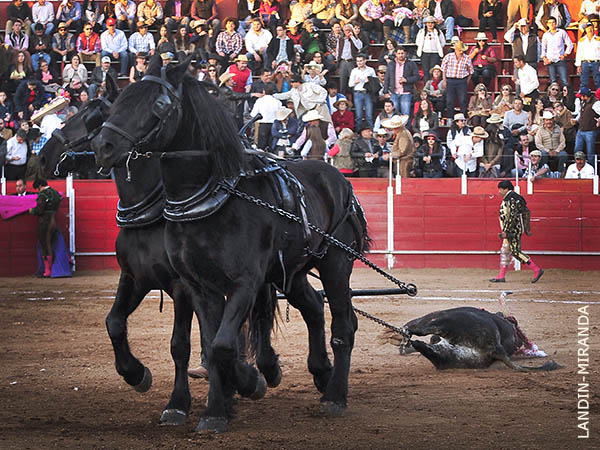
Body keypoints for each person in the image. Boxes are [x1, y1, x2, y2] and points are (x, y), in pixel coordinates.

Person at [490, 180, 543, 283]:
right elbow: (526, 212)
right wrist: (527, 229)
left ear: (506, 189)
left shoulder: (510, 199)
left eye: (500, 189)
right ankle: (501, 276)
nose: (499, 192)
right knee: (505, 251)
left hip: (512, 230)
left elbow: (511, 216)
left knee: (515, 252)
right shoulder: (516, 198)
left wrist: (506, 231)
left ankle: (536, 269)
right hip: (515, 229)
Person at [28, 178, 63, 277]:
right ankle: (51, 269)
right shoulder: (56, 193)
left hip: (45, 222)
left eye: (37, 189)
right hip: (54, 221)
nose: (38, 191)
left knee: (45, 244)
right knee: (50, 244)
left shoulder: (43, 195)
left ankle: (48, 271)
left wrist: (32, 211)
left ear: (39, 186)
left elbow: (39, 210)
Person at [383, 47, 419, 118]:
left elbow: (417, 77)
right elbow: (387, 78)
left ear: (405, 54)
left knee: (405, 115)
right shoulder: (391, 64)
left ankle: (405, 129)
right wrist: (385, 91)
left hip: (406, 92)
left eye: (402, 53)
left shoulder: (411, 64)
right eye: (399, 53)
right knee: (393, 114)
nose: (401, 55)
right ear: (396, 54)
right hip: (394, 92)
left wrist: (406, 80)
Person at [441, 40, 473, 119]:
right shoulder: (448, 56)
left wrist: (466, 81)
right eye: (459, 50)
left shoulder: (467, 58)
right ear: (455, 49)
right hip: (450, 80)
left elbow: (471, 71)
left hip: (462, 80)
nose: (461, 52)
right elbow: (444, 69)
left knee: (463, 100)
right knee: (449, 101)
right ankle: (450, 118)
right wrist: (444, 80)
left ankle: (462, 118)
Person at [540, 17, 573, 87]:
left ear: (556, 23)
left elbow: (570, 44)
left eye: (553, 22)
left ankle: (567, 97)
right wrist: (544, 58)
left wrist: (565, 54)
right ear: (547, 24)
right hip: (550, 61)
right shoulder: (545, 35)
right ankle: (554, 97)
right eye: (549, 23)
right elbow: (543, 48)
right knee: (553, 82)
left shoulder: (562, 32)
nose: (551, 24)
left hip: (560, 60)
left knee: (564, 81)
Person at [534, 110, 568, 175]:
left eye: (550, 120)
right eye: (547, 120)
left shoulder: (558, 128)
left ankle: (561, 173)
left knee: (563, 154)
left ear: (553, 120)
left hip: (557, 151)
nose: (549, 122)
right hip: (545, 150)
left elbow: (562, 141)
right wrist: (548, 151)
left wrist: (557, 150)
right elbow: (538, 143)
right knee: (543, 154)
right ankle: (544, 173)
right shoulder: (540, 130)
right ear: (544, 121)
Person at [573, 86, 600, 166]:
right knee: (577, 150)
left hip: (590, 131)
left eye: (581, 96)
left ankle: (591, 170)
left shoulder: (596, 103)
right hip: (581, 130)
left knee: (590, 152)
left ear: (585, 96)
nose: (580, 97)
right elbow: (581, 113)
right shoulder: (584, 102)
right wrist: (576, 119)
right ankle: (576, 167)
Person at [250, 84, 281, 151]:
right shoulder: (277, 102)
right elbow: (280, 114)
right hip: (274, 125)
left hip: (262, 124)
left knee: (261, 146)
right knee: (272, 145)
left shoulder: (259, 101)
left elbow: (253, 114)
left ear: (264, 91)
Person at [335, 24, 364, 95]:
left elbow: (359, 46)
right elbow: (338, 50)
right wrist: (337, 59)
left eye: (349, 30)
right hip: (343, 61)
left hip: (351, 62)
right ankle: (342, 99)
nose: (348, 32)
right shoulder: (341, 39)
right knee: (342, 82)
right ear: (344, 31)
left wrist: (352, 37)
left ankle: (355, 99)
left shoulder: (355, 39)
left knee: (354, 81)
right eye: (346, 30)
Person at [349, 54, 376, 128]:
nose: (359, 63)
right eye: (357, 61)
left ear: (365, 61)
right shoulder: (354, 71)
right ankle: (358, 133)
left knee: (369, 115)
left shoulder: (370, 70)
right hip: (358, 93)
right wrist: (356, 82)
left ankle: (371, 132)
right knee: (359, 115)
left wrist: (369, 81)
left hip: (368, 93)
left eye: (361, 61)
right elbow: (350, 84)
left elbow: (376, 82)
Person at [415, 16, 445, 81]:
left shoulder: (438, 32)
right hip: (425, 53)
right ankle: (426, 87)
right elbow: (417, 42)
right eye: (428, 23)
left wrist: (437, 48)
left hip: (435, 53)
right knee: (426, 71)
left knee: (433, 71)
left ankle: (433, 87)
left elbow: (443, 42)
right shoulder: (421, 32)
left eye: (432, 23)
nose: (430, 24)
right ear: (426, 24)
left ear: (434, 24)